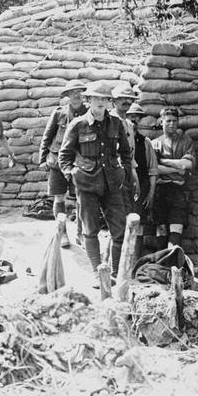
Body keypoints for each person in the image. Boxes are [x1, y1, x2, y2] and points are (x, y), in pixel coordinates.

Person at [59, 81, 132, 281]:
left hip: (111, 183)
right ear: (88, 100)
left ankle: (115, 273)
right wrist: (71, 174)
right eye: (97, 99)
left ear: (110, 102)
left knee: (119, 230)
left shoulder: (116, 123)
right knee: (90, 230)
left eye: (105, 99)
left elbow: (126, 152)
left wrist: (124, 172)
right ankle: (97, 273)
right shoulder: (78, 124)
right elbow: (64, 155)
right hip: (87, 184)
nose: (101, 103)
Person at [39, 80, 87, 248]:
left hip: (79, 161)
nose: (76, 94)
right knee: (59, 197)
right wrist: (42, 158)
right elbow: (48, 136)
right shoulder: (59, 113)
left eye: (79, 91)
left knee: (82, 197)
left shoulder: (88, 113)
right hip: (57, 160)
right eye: (73, 92)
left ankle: (81, 233)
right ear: (67, 96)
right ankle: (63, 232)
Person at [150, 106, 196, 251]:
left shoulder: (185, 141)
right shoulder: (155, 143)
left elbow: (187, 164)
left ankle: (172, 263)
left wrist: (163, 162)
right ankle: (161, 262)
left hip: (178, 189)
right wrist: (177, 168)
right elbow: (154, 169)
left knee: (177, 226)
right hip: (160, 189)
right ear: (161, 122)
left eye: (175, 121)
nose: (172, 124)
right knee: (161, 227)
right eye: (168, 121)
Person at [125, 102, 158, 261]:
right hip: (123, 186)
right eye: (131, 116)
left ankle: (135, 261)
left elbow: (152, 170)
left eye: (137, 117)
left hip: (141, 187)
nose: (134, 119)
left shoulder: (145, 143)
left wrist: (150, 192)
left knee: (139, 225)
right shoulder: (119, 139)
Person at [110, 84, 140, 214]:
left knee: (128, 209)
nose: (127, 101)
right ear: (114, 101)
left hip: (126, 172)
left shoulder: (129, 125)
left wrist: (135, 177)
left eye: (130, 99)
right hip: (112, 172)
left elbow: (130, 155)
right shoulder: (108, 120)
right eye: (122, 98)